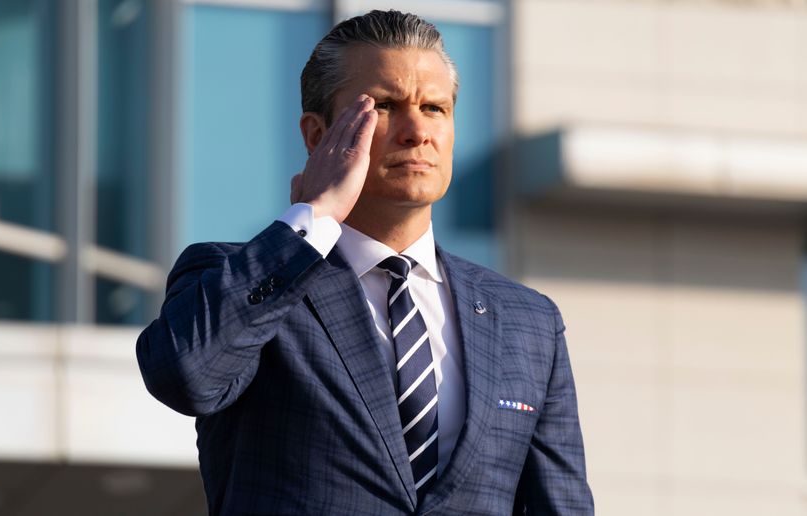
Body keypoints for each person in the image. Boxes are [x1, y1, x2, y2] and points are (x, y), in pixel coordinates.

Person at [137, 9, 594, 515]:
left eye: (435, 108)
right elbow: (186, 377)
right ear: (316, 136)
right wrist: (313, 217)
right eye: (385, 106)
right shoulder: (242, 277)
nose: (417, 130)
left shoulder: (528, 322)